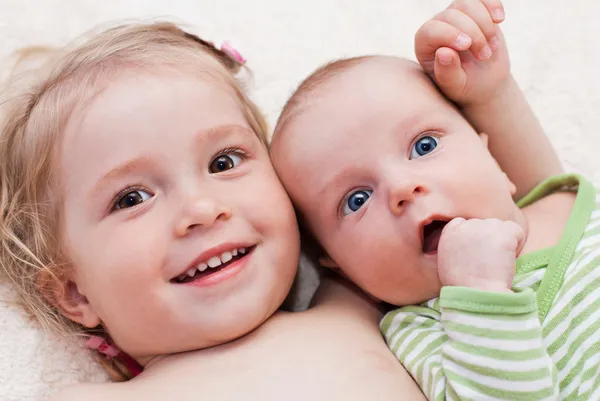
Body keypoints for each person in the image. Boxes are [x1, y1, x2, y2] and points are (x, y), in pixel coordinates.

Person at [0, 22, 426, 400]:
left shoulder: (356, 297)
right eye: (132, 199)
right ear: (75, 292)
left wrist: (486, 92)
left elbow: (485, 210)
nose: (201, 210)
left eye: (223, 162)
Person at [270, 0, 597, 398]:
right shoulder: (424, 332)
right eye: (357, 199)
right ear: (339, 267)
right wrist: (481, 294)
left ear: (493, 159)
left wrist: (491, 85)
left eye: (423, 146)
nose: (402, 188)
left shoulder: (567, 199)